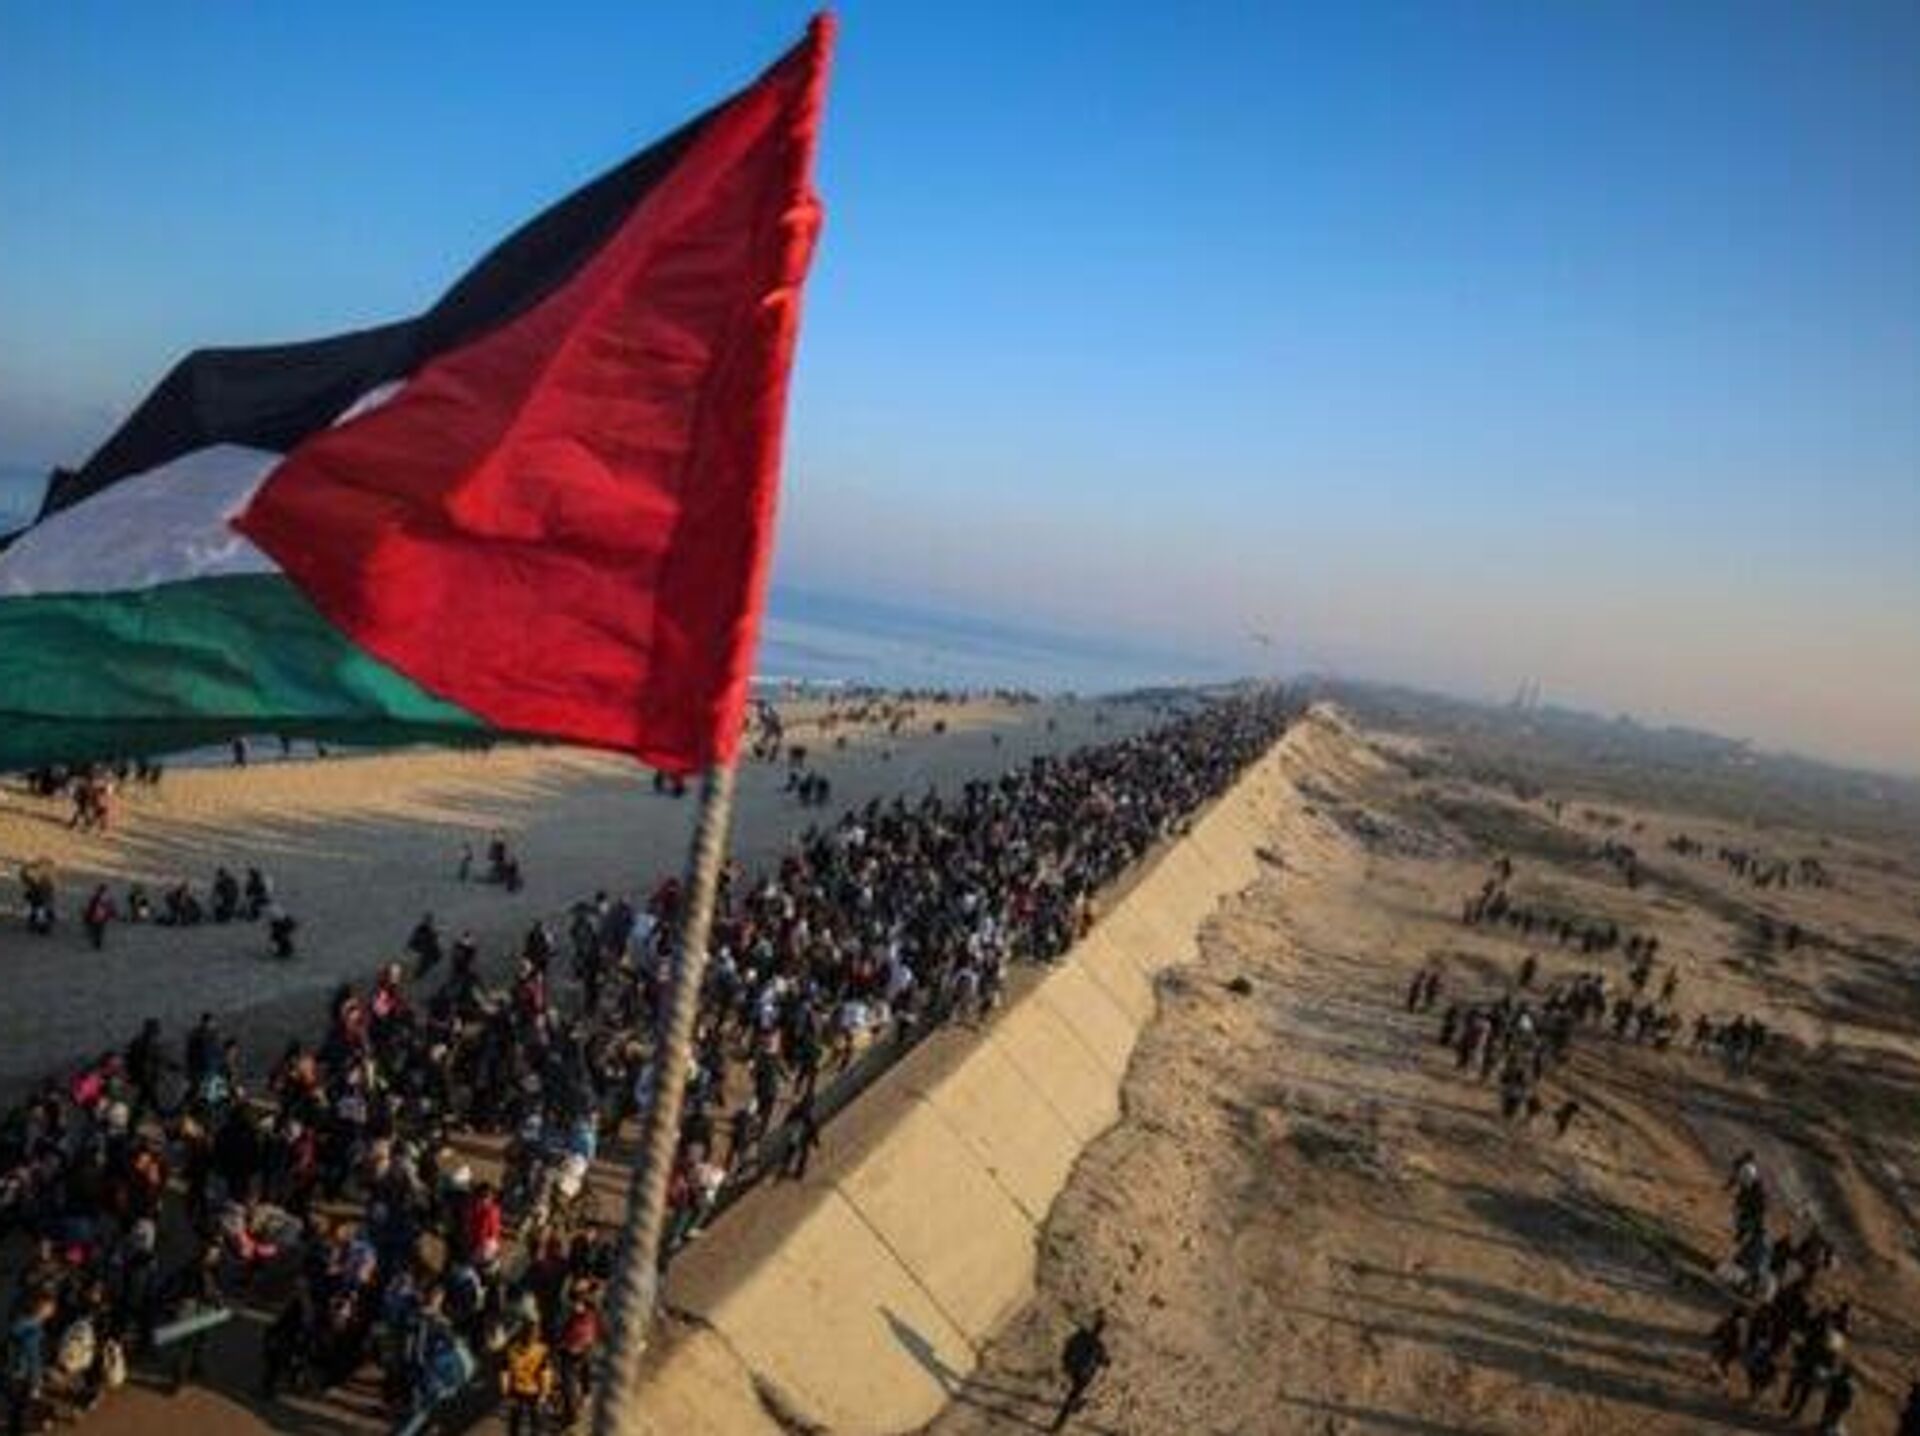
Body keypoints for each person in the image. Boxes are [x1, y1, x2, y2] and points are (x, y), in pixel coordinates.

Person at [1052, 1311, 1110, 1432]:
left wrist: (1066, 1365)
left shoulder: (1080, 1336)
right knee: (1073, 1396)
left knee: (1074, 1394)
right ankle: (1058, 1425)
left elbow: (1068, 1348)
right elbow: (1105, 1362)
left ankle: (1075, 1406)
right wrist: (1105, 1361)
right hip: (1085, 1375)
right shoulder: (1099, 1346)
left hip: (1074, 1369)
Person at [499, 1321, 554, 1436]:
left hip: (525, 1391)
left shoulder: (512, 1350)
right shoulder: (541, 1350)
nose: (532, 1337)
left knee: (520, 1423)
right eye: (532, 1334)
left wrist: (505, 1393)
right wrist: (544, 1394)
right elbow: (505, 1373)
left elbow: (545, 1374)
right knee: (532, 1423)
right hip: (527, 1391)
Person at [83, 884, 117, 951]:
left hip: (96, 917)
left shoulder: (96, 898)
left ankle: (97, 943)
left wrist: (87, 917)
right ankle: (98, 943)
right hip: (102, 917)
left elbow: (91, 908)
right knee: (100, 930)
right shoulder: (108, 898)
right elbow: (110, 908)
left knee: (96, 930)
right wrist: (113, 914)